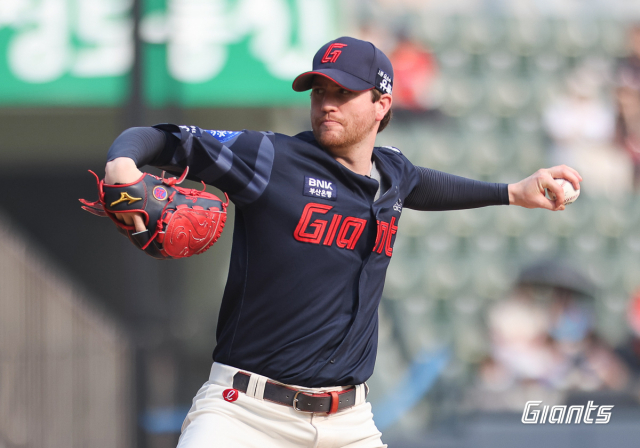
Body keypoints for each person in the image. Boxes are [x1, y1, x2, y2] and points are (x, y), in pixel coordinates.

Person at [103, 36, 581, 448]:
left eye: (343, 92)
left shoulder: (393, 173)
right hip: (245, 414)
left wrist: (511, 193)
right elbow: (163, 138)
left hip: (348, 424)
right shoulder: (271, 158)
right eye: (320, 91)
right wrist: (121, 164)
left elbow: (427, 186)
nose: (326, 103)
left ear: (381, 104)